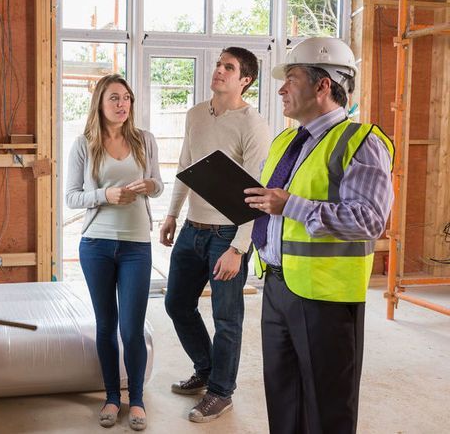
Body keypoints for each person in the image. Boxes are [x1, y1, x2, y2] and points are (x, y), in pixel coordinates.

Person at [244, 37, 394, 434]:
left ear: (323, 85)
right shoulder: (284, 142)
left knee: (327, 406)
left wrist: (290, 205)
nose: (281, 88)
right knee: (282, 396)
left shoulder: (360, 142)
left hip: (325, 297)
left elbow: (369, 220)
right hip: (277, 285)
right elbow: (271, 204)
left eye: (290, 78)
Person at [160, 48, 271, 423]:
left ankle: (221, 392)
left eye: (229, 67)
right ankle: (206, 369)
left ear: (245, 80)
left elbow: (257, 194)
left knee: (227, 319)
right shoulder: (195, 115)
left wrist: (239, 249)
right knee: (176, 303)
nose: (219, 71)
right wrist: (172, 214)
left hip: (228, 236)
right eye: (219, 64)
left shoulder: (253, 124)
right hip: (193, 229)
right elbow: (184, 168)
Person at [65, 74, 163, 431]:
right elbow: (72, 196)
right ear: (100, 104)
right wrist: (105, 195)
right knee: (105, 324)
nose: (122, 105)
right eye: (114, 98)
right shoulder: (84, 144)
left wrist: (150, 185)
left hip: (137, 244)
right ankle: (111, 397)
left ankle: (135, 400)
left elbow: (157, 184)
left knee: (131, 326)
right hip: (97, 245)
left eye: (127, 98)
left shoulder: (144, 141)